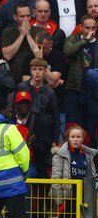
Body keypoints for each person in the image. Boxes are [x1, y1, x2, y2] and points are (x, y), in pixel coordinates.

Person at [63, 14, 98, 148]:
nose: (91, 31)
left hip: (92, 93)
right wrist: (84, 41)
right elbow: (68, 51)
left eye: (93, 28)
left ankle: (90, 162)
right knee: (72, 128)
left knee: (90, 130)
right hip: (74, 90)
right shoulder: (73, 39)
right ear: (81, 27)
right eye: (87, 28)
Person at [51, 125, 97, 218]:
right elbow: (55, 179)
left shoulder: (88, 155)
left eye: (78, 137)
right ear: (68, 138)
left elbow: (92, 176)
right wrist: (59, 201)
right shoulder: (60, 156)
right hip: (67, 198)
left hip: (84, 199)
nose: (75, 140)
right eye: (73, 137)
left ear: (83, 139)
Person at [16, 58, 61, 146]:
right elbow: (14, 109)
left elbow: (56, 116)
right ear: (30, 71)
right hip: (24, 129)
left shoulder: (50, 92)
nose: (37, 72)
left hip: (44, 133)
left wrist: (55, 139)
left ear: (45, 71)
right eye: (34, 69)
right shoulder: (22, 87)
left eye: (40, 69)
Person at [1, 1, 42, 84]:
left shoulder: (39, 31)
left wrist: (28, 35)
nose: (26, 19)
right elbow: (7, 56)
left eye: (28, 16)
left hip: (35, 80)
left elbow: (39, 55)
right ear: (15, 17)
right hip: (13, 79)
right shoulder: (8, 32)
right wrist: (22, 35)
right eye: (22, 16)